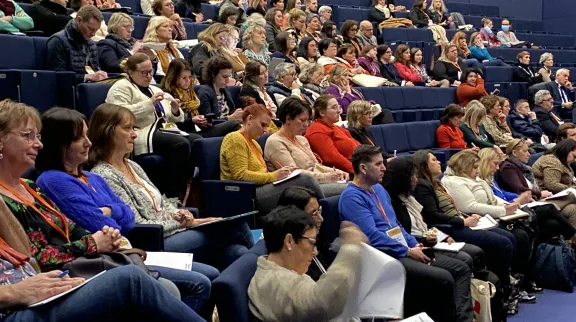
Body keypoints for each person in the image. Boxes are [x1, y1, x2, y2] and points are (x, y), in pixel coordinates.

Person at [34, 107, 222, 319]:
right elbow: (110, 226)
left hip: (127, 252)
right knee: (205, 268)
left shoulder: (92, 177)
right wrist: (116, 212)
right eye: (79, 138)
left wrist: (111, 210)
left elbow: (127, 217)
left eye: (87, 135)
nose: (88, 142)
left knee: (220, 261)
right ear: (59, 144)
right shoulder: (54, 180)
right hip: (110, 257)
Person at [87, 103, 254, 271]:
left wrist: (180, 213)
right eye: (127, 128)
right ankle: (268, 268)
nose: (134, 135)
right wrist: (185, 223)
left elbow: (161, 204)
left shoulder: (131, 165)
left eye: (134, 128)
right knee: (235, 226)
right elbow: (137, 224)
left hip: (172, 231)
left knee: (236, 251)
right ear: (107, 132)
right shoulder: (104, 175)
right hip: (153, 242)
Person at [339, 145, 473, 322]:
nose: (384, 168)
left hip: (401, 248)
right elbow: (371, 235)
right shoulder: (352, 197)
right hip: (382, 256)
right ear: (363, 168)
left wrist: (412, 243)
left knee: (462, 263)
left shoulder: (379, 189)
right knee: (445, 277)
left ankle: (462, 318)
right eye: (378, 164)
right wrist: (407, 251)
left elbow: (396, 225)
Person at [412, 149, 515, 299]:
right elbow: (432, 216)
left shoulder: (436, 183)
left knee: (508, 237)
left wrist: (465, 217)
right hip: (450, 228)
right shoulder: (423, 186)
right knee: (503, 242)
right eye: (434, 160)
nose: (439, 161)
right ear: (424, 165)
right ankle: (503, 289)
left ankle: (505, 283)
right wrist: (462, 221)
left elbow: (452, 209)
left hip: (458, 221)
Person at [441, 150, 541, 294]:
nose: (477, 170)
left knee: (526, 231)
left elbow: (493, 199)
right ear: (464, 166)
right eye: (475, 167)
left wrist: (508, 206)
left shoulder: (476, 179)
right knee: (510, 239)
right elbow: (470, 207)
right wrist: (504, 210)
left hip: (490, 217)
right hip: (477, 220)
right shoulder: (455, 182)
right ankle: (506, 284)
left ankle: (519, 277)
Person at [248, 206, 366, 321]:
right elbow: (322, 304)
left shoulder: (283, 272)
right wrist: (351, 250)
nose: (315, 251)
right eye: (311, 242)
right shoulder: (274, 281)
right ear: (289, 241)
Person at [105, 54, 195, 198]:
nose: (148, 76)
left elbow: (173, 117)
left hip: (163, 129)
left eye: (150, 72)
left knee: (197, 141)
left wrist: (175, 110)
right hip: (140, 131)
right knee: (180, 144)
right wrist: (149, 103)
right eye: (144, 73)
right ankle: (172, 196)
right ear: (130, 72)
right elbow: (118, 115)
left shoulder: (155, 89)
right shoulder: (120, 88)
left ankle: (188, 193)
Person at [219, 103, 325, 215]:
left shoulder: (254, 143)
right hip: (247, 193)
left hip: (262, 187)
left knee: (302, 184)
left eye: (267, 126)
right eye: (263, 125)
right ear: (250, 119)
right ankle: (324, 211)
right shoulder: (235, 138)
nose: (265, 130)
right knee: (304, 179)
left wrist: (282, 174)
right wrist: (274, 175)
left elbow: (262, 173)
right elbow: (240, 176)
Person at [382, 157, 484, 271]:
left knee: (475, 252)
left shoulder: (409, 199)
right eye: (412, 177)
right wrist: (426, 241)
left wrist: (443, 237)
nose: (416, 180)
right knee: (465, 260)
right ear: (402, 179)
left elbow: (425, 226)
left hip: (427, 240)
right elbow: (405, 232)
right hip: (416, 246)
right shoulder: (392, 202)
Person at [264, 97, 348, 197]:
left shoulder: (302, 139)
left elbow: (316, 167)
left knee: (356, 186)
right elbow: (294, 175)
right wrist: (328, 177)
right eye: (302, 120)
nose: (306, 125)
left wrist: (337, 172)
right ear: (288, 119)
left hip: (316, 183)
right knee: (351, 189)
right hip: (298, 190)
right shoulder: (275, 142)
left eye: (308, 121)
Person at [499, 139, 576, 231]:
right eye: (525, 151)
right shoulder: (508, 167)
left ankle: (572, 242)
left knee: (572, 209)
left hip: (537, 199)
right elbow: (519, 188)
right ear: (515, 153)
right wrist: (540, 193)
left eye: (528, 150)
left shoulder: (523, 167)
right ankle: (573, 235)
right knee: (571, 196)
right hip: (528, 203)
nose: (528, 154)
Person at [161, 58, 241, 137]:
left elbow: (206, 119)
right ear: (174, 77)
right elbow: (170, 124)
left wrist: (203, 121)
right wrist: (193, 121)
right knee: (234, 124)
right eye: (184, 78)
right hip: (185, 131)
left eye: (190, 77)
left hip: (198, 128)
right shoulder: (168, 95)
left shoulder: (191, 92)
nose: (188, 81)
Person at [46, 5, 107, 84]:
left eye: (96, 30)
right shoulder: (57, 41)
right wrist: (86, 77)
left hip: (89, 90)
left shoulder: (91, 44)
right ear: (79, 21)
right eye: (91, 29)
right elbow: (57, 76)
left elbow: (94, 70)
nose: (93, 34)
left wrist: (100, 75)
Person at [305, 95, 360, 174]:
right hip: (345, 172)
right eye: (334, 107)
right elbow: (332, 158)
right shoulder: (317, 131)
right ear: (322, 112)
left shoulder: (335, 127)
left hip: (359, 164)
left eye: (338, 107)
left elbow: (358, 146)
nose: (338, 111)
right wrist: (358, 171)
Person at [196, 56, 244, 122]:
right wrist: (230, 118)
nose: (227, 81)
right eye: (224, 77)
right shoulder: (204, 93)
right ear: (213, 74)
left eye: (229, 76)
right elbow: (207, 122)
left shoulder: (224, 90)